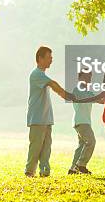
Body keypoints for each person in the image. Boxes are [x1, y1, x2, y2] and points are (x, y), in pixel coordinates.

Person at [25, 46, 76, 177]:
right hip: (37, 118)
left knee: (46, 147)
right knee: (36, 147)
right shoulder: (36, 74)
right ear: (40, 58)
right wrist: (67, 95)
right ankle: (29, 172)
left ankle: (44, 171)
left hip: (46, 118)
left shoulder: (42, 75)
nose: (51, 60)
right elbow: (53, 84)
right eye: (49, 57)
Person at [68, 70, 101, 175]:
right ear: (80, 77)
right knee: (91, 141)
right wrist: (96, 97)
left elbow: (100, 100)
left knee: (81, 146)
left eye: (90, 77)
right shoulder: (77, 90)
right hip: (81, 122)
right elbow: (84, 98)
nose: (89, 79)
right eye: (86, 76)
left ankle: (73, 169)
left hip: (84, 122)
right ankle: (81, 165)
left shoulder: (88, 91)